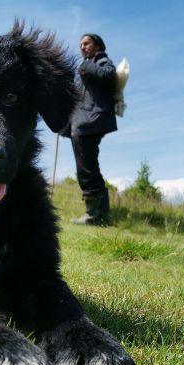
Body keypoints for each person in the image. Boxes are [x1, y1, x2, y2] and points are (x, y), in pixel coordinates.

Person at [67, 34, 117, 226]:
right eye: (80, 44)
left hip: (89, 121)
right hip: (83, 120)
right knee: (90, 166)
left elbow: (108, 75)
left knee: (85, 168)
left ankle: (94, 215)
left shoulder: (101, 60)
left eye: (86, 43)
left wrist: (85, 66)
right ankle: (101, 216)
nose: (82, 47)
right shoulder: (88, 65)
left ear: (97, 46)